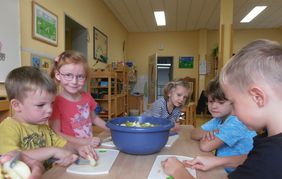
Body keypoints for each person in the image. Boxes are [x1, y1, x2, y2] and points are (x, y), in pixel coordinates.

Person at [162, 39, 282, 179]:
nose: (234, 111)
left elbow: (262, 162)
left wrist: (179, 172)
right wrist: (218, 161)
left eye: (233, 102)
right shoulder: (269, 142)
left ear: (257, 97)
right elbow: (252, 158)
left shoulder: (272, 155)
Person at [0, 66, 97, 168]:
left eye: (51, 103)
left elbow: (64, 145)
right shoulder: (8, 127)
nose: (50, 110)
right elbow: (10, 157)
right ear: (16, 105)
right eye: (40, 105)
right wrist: (53, 151)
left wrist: (78, 148)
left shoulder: (45, 128)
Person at [190, 76, 256, 173]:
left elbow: (206, 146)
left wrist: (206, 138)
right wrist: (210, 133)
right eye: (211, 101)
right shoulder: (218, 118)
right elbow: (194, 133)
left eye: (221, 102)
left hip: (242, 173)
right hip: (224, 169)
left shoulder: (237, 121)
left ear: (233, 103)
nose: (214, 106)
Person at [49, 50, 109, 147]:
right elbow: (56, 133)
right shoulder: (55, 102)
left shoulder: (87, 96)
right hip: (70, 149)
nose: (74, 81)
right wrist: (85, 142)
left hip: (89, 147)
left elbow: (94, 118)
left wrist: (112, 129)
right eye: (68, 75)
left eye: (80, 76)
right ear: (58, 75)